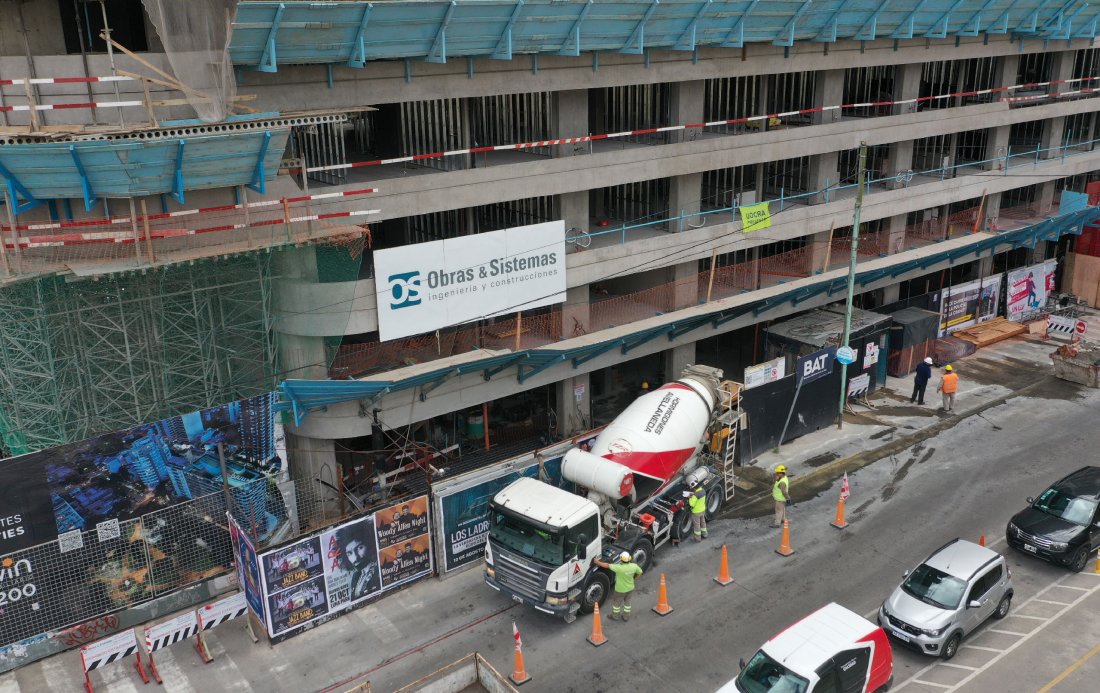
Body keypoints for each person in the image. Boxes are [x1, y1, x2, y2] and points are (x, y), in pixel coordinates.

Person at [593, 551, 643, 622]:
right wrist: (634, 579)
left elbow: (606, 565)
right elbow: (640, 572)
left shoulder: (618, 567)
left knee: (616, 604)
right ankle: (626, 617)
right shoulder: (634, 566)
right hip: (630, 588)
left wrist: (596, 562)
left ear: (621, 559)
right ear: (629, 559)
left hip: (620, 590)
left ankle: (615, 616)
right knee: (627, 602)